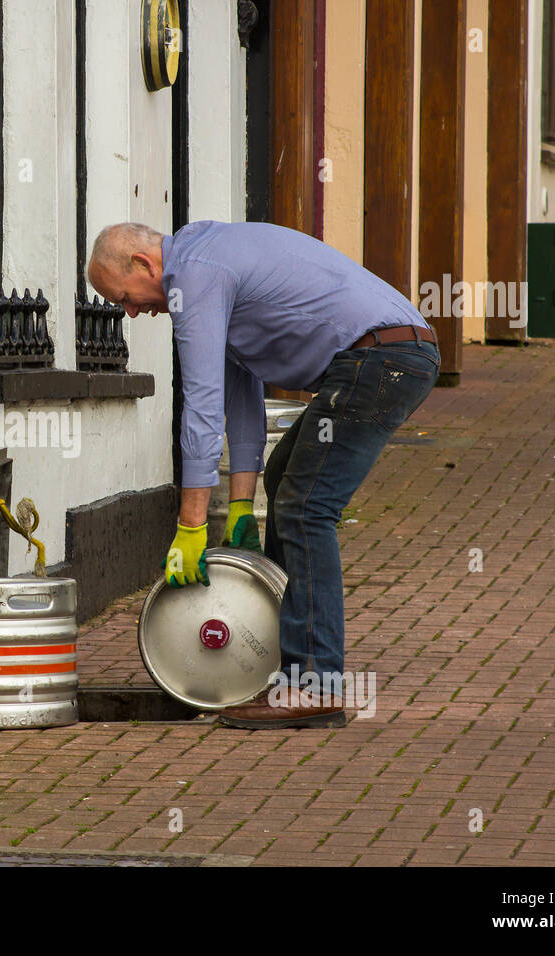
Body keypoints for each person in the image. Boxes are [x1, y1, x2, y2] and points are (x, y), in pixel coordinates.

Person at [86, 220, 439, 729]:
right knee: (287, 478)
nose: (133, 311)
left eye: (125, 297)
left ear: (144, 265)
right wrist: (243, 508)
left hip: (383, 357)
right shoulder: (207, 263)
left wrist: (191, 529)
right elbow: (241, 401)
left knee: (304, 506)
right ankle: (286, 666)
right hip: (391, 353)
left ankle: (314, 683)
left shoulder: (195, 276)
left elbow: (202, 411)